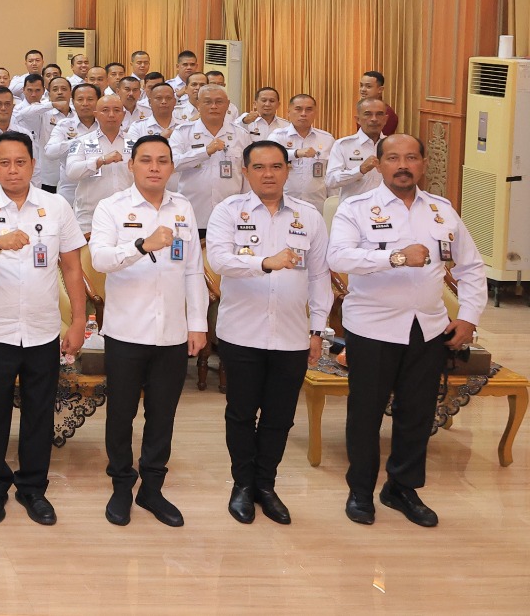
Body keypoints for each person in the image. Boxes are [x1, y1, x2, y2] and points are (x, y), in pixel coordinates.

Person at [328, 134, 486, 527]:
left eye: (411, 158)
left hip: (428, 328)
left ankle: (401, 488)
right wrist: (395, 257)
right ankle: (360, 491)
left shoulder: (442, 211)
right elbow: (339, 256)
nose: (403, 165)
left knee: (417, 414)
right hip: (373, 327)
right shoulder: (357, 208)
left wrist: (468, 317)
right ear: (379, 164)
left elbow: (471, 267)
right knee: (365, 414)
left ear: (423, 164)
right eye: (394, 158)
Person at [0, 131, 89, 527]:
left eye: (20, 162)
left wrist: (78, 321)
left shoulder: (56, 206)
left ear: (33, 164)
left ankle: (32, 488)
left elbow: (72, 267)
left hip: (43, 329)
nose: (13, 170)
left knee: (40, 412)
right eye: (5, 162)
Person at [206, 140, 332, 525]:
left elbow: (320, 276)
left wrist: (318, 329)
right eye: (259, 167)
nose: (268, 174)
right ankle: (242, 485)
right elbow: (219, 259)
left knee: (280, 417)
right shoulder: (228, 211)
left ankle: (266, 485)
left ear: (287, 171)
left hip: (292, 335)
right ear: (245, 172)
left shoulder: (309, 216)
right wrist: (264, 262)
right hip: (241, 333)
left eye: (276, 166)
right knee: (241, 413)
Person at [89, 135, 206, 528]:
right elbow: (100, 259)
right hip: (126, 331)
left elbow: (193, 270)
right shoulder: (111, 207)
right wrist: (142, 244)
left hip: (172, 333)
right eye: (146, 160)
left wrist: (197, 324)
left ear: (172, 166)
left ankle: (152, 488)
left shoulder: (183, 207)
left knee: (162, 416)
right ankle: (122, 485)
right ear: (131, 165)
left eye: (162, 160)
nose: (154, 167)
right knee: (120, 415)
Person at [169, 84, 247, 236]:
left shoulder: (241, 135)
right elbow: (173, 163)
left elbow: (247, 174)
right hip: (193, 213)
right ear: (198, 104)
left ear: (228, 105)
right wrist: (205, 152)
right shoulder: (183, 133)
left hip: (232, 214)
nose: (214, 106)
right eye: (208, 102)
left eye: (219, 102)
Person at [63, 92, 133, 233]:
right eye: (105, 110)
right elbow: (71, 171)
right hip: (90, 217)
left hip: (128, 215)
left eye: (117, 110)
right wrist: (100, 160)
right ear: (96, 114)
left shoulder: (134, 143)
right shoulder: (81, 141)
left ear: (124, 115)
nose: (111, 115)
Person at [270, 93, 335, 211]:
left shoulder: (327, 139)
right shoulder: (278, 136)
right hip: (284, 202)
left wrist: (332, 202)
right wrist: (295, 153)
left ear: (315, 113)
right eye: (298, 109)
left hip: (317, 204)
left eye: (309, 109)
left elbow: (331, 174)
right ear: (289, 112)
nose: (303, 114)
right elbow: (270, 156)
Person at [326, 98, 389, 200]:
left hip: (385, 206)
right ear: (358, 119)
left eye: (379, 114)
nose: (374, 119)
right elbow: (331, 181)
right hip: (353, 207)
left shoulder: (393, 145)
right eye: (368, 114)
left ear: (385, 119)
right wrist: (360, 170)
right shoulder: (343, 145)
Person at [359, 70, 399, 137]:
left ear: (380, 89)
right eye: (361, 85)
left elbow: (382, 140)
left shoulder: (387, 113)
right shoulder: (362, 108)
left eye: (368, 86)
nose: (363, 89)